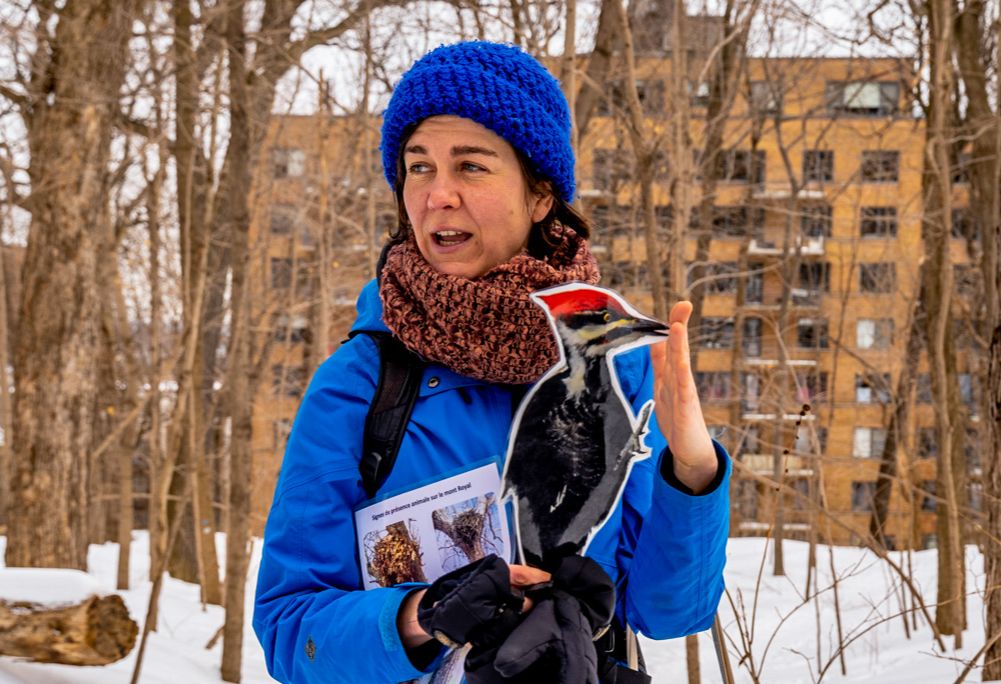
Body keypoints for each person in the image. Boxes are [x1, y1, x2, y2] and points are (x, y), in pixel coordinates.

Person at [253, 40, 730, 684]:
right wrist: (422, 617)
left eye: (471, 167)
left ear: (539, 196)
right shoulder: (363, 382)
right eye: (418, 167)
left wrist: (693, 471)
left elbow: (669, 611)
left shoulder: (622, 366)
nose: (438, 195)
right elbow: (289, 630)